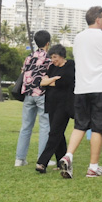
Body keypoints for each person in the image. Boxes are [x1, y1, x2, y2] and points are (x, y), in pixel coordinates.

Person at [58, 6, 102, 179]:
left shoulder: (78, 38)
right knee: (98, 129)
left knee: (80, 125)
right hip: (101, 88)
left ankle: (68, 155)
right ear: (98, 19)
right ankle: (93, 167)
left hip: (81, 89)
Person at [36, 44, 76, 173]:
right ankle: (61, 161)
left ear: (62, 56)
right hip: (51, 104)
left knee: (54, 133)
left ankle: (42, 162)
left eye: (55, 57)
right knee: (58, 133)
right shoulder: (52, 68)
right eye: (51, 57)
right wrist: (53, 79)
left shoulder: (70, 65)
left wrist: (51, 82)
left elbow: (65, 82)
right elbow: (42, 83)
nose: (53, 60)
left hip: (64, 105)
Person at [15, 30, 52, 167]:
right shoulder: (48, 59)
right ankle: (42, 158)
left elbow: (23, 72)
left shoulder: (29, 58)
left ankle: (20, 159)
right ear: (48, 43)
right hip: (42, 94)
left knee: (26, 126)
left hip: (28, 94)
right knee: (44, 127)